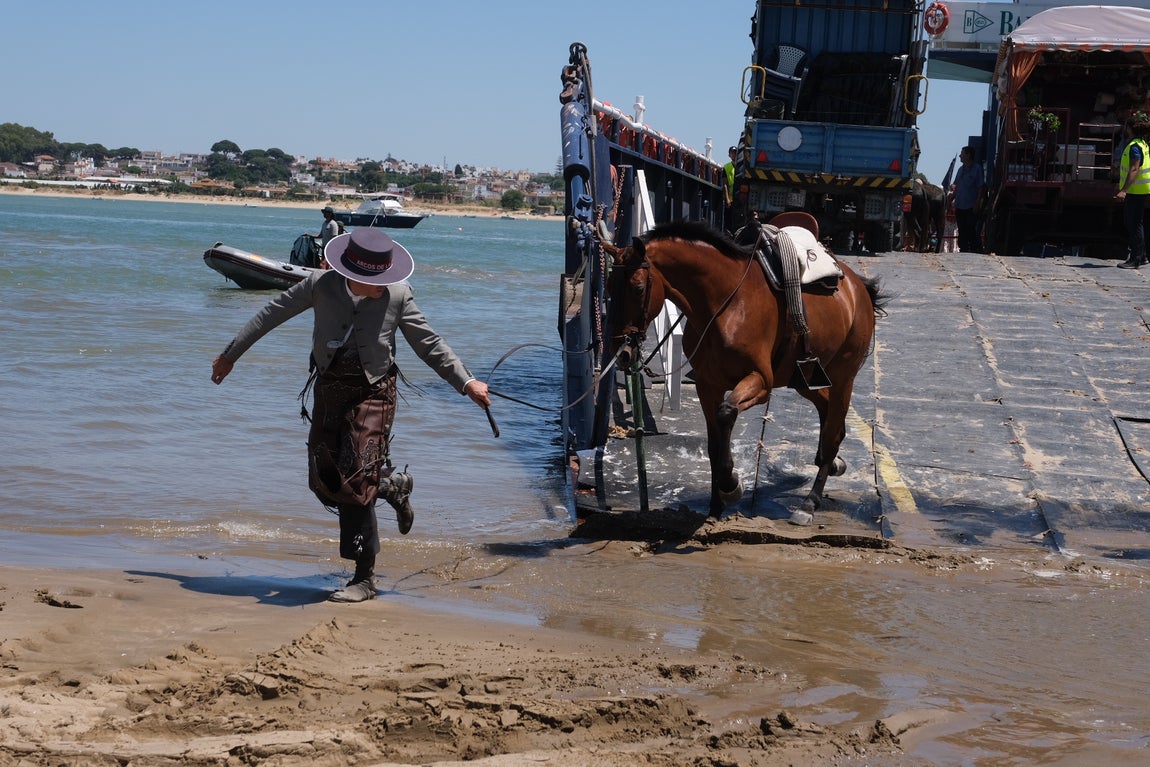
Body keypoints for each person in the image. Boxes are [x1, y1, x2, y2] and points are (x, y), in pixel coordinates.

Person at [210, 228, 492, 603]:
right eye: (377, 281)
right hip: (329, 387)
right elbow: (270, 314)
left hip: (375, 392)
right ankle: (392, 487)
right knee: (324, 480)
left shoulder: (399, 295)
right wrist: (230, 354)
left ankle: (363, 577)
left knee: (357, 478)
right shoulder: (319, 285)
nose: (386, 285)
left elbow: (430, 344)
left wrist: (467, 382)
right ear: (352, 276)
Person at [1116, 117, 1150, 269]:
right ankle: (1142, 257)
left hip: (1135, 191)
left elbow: (1134, 169)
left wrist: (1124, 190)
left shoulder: (1135, 147)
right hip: (1140, 190)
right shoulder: (1143, 144)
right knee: (1137, 222)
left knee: (1133, 223)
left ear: (1129, 128)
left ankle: (1135, 259)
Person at [950, 146, 985, 253]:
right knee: (961, 228)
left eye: (962, 153)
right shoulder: (960, 170)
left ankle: (974, 249)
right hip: (960, 205)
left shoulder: (977, 169)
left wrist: (977, 203)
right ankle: (963, 249)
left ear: (968, 155)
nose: (960, 155)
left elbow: (981, 187)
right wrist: (952, 193)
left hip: (971, 205)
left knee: (971, 229)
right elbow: (956, 185)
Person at [723, 146, 737, 232]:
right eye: (732, 152)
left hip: (739, 198)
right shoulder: (727, 167)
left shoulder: (742, 166)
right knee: (728, 219)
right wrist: (727, 199)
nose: (734, 154)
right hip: (731, 199)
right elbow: (725, 184)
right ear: (729, 155)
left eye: (735, 152)